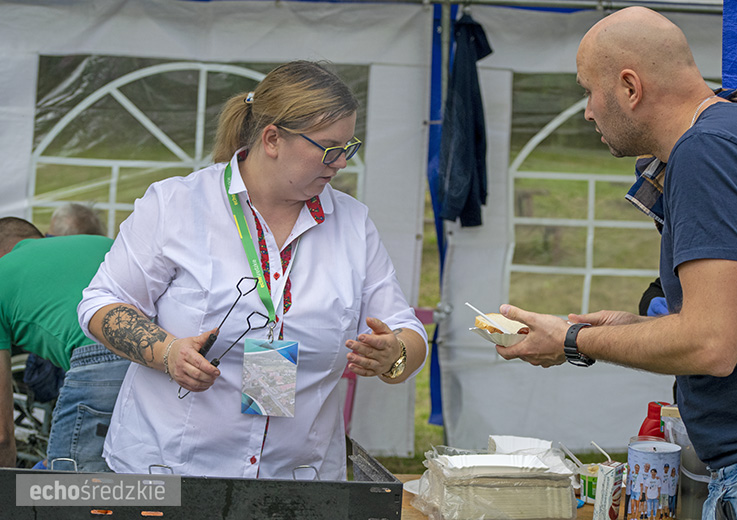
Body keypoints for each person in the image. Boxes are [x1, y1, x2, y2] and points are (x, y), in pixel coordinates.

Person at [77, 60, 428, 480]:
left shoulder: (353, 223)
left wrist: (395, 354)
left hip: (298, 479)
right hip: (171, 470)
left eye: (348, 147)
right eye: (328, 148)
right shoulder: (176, 204)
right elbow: (102, 303)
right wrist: (166, 352)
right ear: (273, 138)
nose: (341, 163)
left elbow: (407, 328)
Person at [495, 7, 737, 520]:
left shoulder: (707, 150)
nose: (587, 112)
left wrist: (572, 340)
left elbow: (711, 343)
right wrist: (629, 327)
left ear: (630, 86)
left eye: (589, 91)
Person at [0, 217, 127, 471]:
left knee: (66, 486)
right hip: (169, 353)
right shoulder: (101, 243)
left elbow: (1, 435)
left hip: (103, 358)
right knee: (151, 481)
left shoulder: (3, 272)